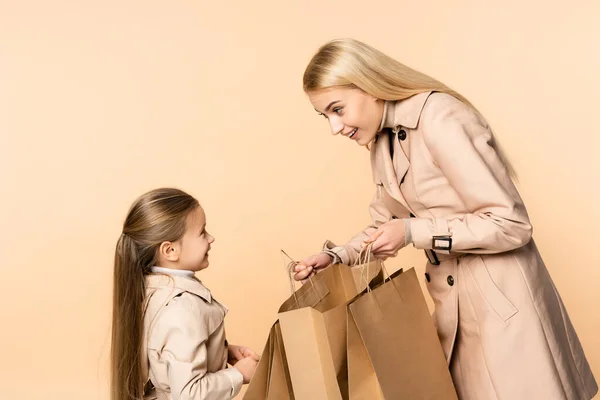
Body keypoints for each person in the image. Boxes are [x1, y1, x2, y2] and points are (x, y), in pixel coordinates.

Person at [293, 38, 597, 400]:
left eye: (337, 109)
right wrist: (337, 256)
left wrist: (413, 232)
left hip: (502, 307)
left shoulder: (440, 116)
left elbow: (511, 224)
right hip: (453, 308)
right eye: (325, 115)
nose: (334, 127)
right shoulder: (381, 140)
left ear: (368, 85)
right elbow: (386, 225)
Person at [111, 188, 259, 400]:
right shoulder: (183, 307)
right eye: (202, 232)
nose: (211, 238)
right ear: (170, 251)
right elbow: (190, 394)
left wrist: (220, 352)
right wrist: (239, 374)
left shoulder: (150, 290)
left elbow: (166, 357)